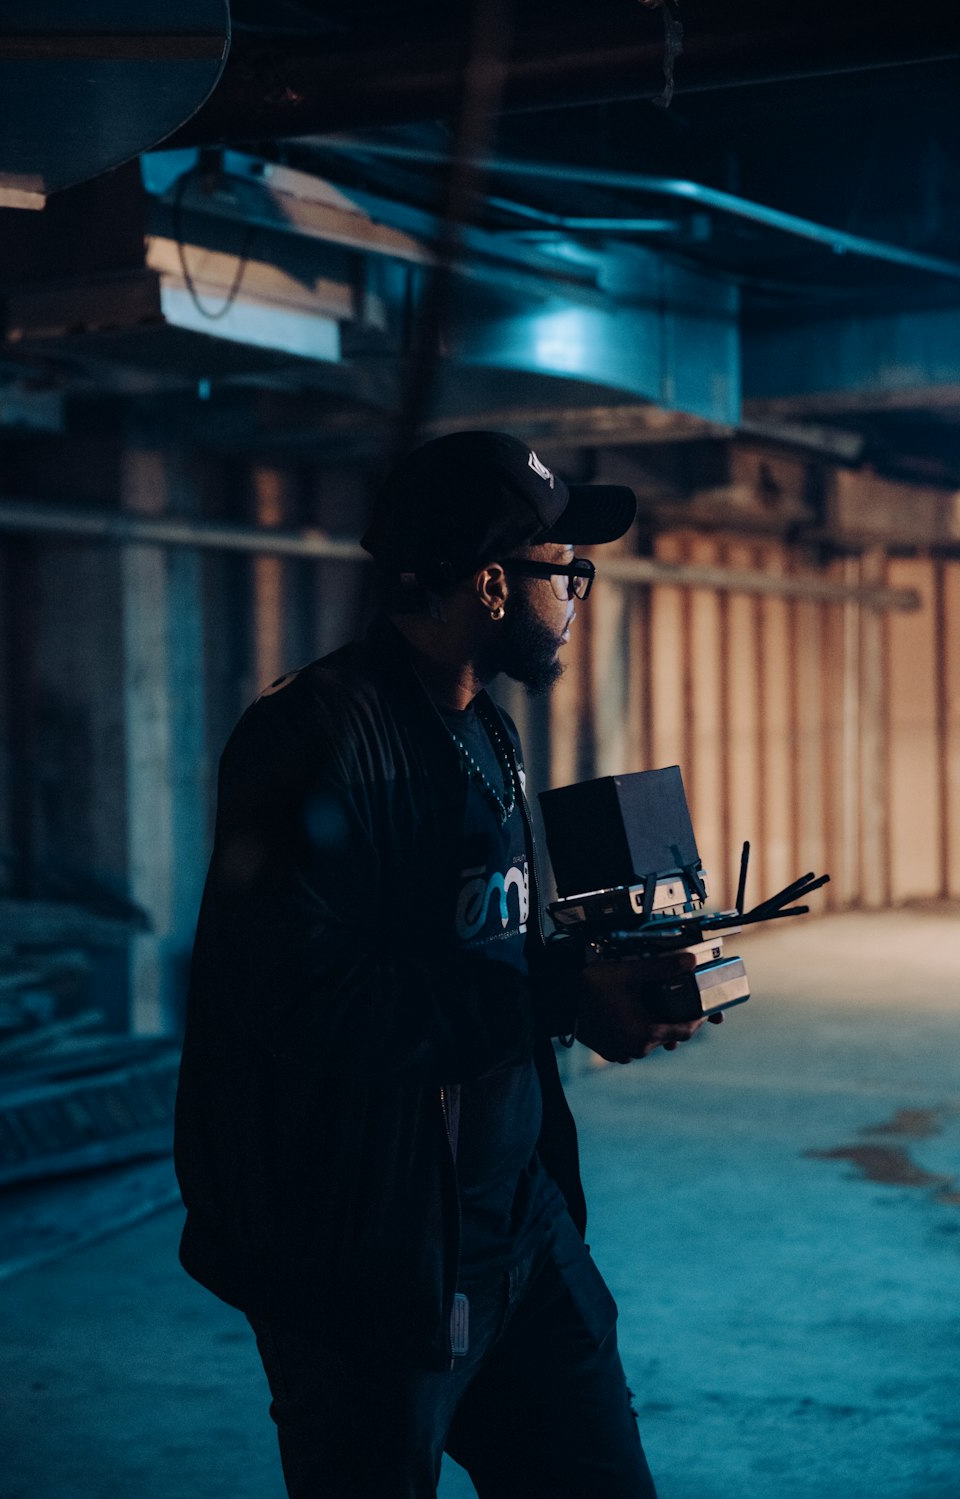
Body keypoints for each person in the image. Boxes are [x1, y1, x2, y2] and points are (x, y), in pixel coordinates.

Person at [174, 430, 722, 1499]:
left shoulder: (491, 733)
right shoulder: (313, 737)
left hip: (519, 1224)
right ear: (487, 579)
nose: (577, 593)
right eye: (564, 569)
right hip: (374, 1264)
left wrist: (604, 968)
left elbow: (479, 951)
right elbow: (309, 1001)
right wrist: (558, 998)